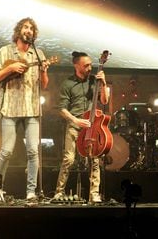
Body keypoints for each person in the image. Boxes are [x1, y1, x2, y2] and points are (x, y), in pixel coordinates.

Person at [0, 17, 50, 201]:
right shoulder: (5, 51)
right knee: (7, 151)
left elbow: (44, 85)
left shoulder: (38, 53)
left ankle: (31, 191)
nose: (29, 30)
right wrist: (11, 68)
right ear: (18, 31)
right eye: (25, 27)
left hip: (31, 109)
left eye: (32, 28)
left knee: (33, 151)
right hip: (10, 108)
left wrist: (44, 70)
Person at [54, 51, 109, 203]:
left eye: (91, 64)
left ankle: (94, 193)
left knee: (95, 159)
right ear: (76, 65)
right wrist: (76, 120)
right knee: (68, 159)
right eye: (86, 65)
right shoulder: (68, 84)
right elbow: (62, 109)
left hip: (91, 125)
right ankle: (59, 192)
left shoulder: (95, 81)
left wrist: (103, 83)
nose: (90, 68)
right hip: (75, 125)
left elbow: (104, 101)